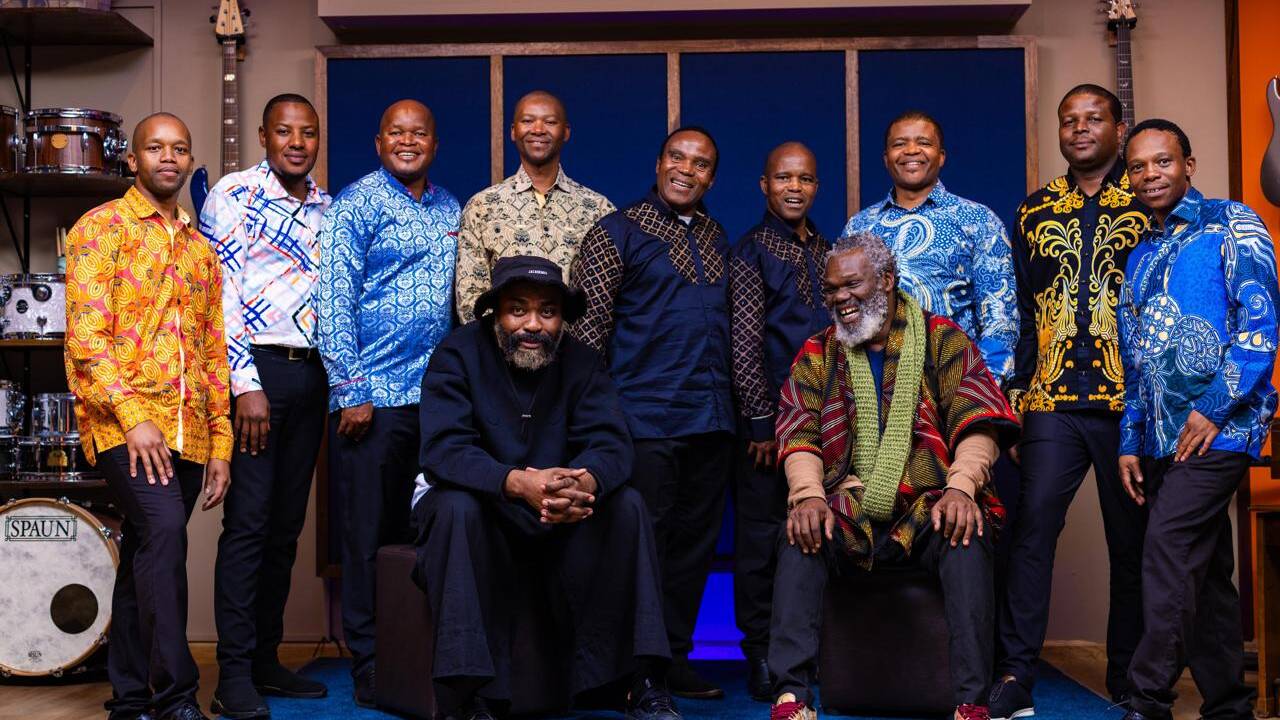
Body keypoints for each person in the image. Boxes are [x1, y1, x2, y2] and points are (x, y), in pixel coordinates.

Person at [413, 255, 681, 720]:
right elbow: (444, 449)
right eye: (518, 309)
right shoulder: (456, 354)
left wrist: (579, 484)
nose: (533, 325)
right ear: (496, 313)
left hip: (558, 513)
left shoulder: (582, 361)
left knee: (628, 504)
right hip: (482, 505)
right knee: (457, 507)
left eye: (548, 311)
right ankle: (469, 697)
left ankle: (640, 681)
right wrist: (518, 483)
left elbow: (612, 444)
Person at [767, 232, 1018, 720]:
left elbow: (979, 421)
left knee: (966, 530)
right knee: (799, 531)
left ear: (886, 280)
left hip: (927, 506)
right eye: (831, 289)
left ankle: (970, 703)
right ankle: (791, 698)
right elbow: (798, 430)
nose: (840, 298)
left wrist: (961, 489)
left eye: (852, 285)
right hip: (848, 507)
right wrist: (808, 496)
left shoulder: (944, 339)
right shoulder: (818, 351)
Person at [65, 112, 232, 720]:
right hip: (124, 424)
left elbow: (212, 351)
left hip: (189, 431)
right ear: (133, 160)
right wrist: (134, 417)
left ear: (189, 161)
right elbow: (86, 337)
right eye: (155, 148)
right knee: (163, 536)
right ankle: (175, 698)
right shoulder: (99, 228)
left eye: (179, 148)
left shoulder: (201, 252)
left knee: (147, 549)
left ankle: (131, 697)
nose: (168, 157)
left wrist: (221, 444)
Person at [990, 84, 1149, 719]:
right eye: (1068, 121)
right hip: (1051, 399)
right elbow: (1022, 313)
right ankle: (1015, 674)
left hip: (1128, 403)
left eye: (1093, 119)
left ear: (1119, 128)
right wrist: (1015, 400)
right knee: (1031, 534)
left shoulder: (1146, 200)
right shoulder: (1034, 210)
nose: (1080, 129)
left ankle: (1130, 679)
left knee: (1131, 541)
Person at [1117, 118, 1279, 720]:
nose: (1150, 174)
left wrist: (1212, 410)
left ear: (1188, 164)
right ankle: (1229, 706)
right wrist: (1130, 440)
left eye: (1163, 161)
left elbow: (1260, 328)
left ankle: (1147, 698)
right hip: (1163, 437)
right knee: (1206, 573)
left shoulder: (1233, 223)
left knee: (1166, 548)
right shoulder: (1139, 258)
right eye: (1138, 166)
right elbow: (1135, 362)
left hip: (1224, 427)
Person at [570, 126, 734, 699]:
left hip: (712, 419)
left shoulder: (716, 235)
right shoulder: (615, 232)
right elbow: (586, 336)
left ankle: (675, 658)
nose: (686, 170)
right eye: (677, 157)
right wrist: (595, 423)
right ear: (658, 162)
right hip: (643, 420)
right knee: (643, 549)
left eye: (700, 163)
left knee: (695, 548)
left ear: (712, 177)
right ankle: (634, 670)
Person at [317, 98, 460, 708]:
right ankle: (370, 661)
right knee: (367, 536)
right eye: (396, 133)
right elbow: (332, 300)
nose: (408, 141)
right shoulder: (356, 204)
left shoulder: (451, 208)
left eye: (419, 133)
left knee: (422, 530)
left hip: (437, 402)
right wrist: (351, 390)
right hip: (372, 401)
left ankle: (416, 652)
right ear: (379, 143)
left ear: (434, 143)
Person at [203, 93, 332, 719]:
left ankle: (264, 661)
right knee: (249, 527)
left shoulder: (327, 206)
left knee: (285, 530)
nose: (297, 143)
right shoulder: (234, 195)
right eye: (284, 132)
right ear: (263, 135)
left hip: (312, 376)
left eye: (307, 133)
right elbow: (219, 295)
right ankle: (231, 676)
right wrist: (244, 383)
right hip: (258, 375)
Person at [728, 141, 829, 701]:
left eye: (805, 179)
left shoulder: (828, 249)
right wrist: (761, 422)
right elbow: (744, 344)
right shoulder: (751, 251)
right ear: (764, 186)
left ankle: (807, 652)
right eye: (784, 178)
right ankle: (762, 655)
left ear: (816, 187)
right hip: (769, 426)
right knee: (761, 541)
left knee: (813, 536)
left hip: (823, 423)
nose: (795, 187)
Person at [842, 110, 1017, 383]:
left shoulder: (978, 220)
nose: (912, 150)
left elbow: (1000, 319)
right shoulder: (859, 227)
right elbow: (845, 310)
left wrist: (979, 390)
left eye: (923, 142)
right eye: (899, 144)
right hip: (874, 385)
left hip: (955, 382)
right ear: (886, 158)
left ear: (941, 156)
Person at [454, 90, 615, 323]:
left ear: (566, 132)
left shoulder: (599, 209)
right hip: (501, 345)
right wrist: (501, 343)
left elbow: (606, 297)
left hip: (576, 345)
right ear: (513, 131)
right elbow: (471, 301)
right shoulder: (482, 206)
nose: (538, 129)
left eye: (550, 122)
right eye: (528, 121)